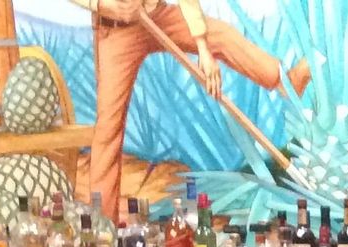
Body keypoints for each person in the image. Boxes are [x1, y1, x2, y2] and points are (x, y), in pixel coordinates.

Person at [77, 0, 311, 219]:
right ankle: (102, 225)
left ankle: (284, 81)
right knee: (108, 128)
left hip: (156, 16)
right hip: (116, 29)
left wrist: (203, 49)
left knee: (220, 35)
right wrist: (102, 4)